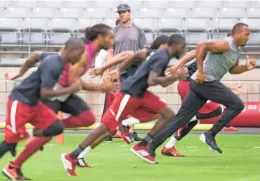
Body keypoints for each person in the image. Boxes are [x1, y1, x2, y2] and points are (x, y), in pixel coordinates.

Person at [61, 34, 188, 176]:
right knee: (107, 128)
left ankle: (141, 144)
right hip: (129, 93)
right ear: (172, 45)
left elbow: (141, 60)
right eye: (182, 47)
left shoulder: (154, 54)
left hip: (140, 93)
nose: (184, 50)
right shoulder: (161, 57)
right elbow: (152, 80)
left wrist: (174, 77)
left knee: (167, 113)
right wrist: (114, 70)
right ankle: (72, 156)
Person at [135, 23, 255, 164]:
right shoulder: (225, 44)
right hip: (205, 82)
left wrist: (246, 67)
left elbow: (233, 70)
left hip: (199, 84)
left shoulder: (236, 50)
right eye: (247, 34)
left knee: (181, 119)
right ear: (237, 33)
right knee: (237, 105)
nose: (249, 37)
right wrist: (200, 72)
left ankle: (150, 147)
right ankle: (209, 134)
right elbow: (200, 46)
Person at [5, 24, 119, 171]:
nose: (113, 41)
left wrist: (20, 72)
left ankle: (48, 129)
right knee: (45, 136)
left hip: (65, 94)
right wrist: (100, 88)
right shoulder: (83, 53)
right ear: (100, 37)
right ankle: (14, 166)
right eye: (110, 37)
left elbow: (36, 56)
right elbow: (73, 82)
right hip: (54, 94)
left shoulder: (90, 52)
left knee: (87, 118)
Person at [0, 37, 85, 180]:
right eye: (80, 53)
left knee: (55, 127)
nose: (81, 57)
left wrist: (20, 72)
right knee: (9, 143)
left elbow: (34, 56)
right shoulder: (54, 64)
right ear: (72, 51)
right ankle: (14, 158)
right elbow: (44, 92)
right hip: (20, 101)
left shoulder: (55, 58)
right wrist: (71, 89)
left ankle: (15, 164)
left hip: (34, 104)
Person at [103, 3, 148, 142]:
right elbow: (110, 51)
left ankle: (131, 132)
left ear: (130, 12)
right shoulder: (113, 31)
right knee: (111, 101)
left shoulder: (138, 30)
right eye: (119, 12)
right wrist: (109, 69)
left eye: (123, 12)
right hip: (117, 71)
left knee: (133, 101)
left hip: (134, 71)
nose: (121, 14)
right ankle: (107, 133)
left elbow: (144, 50)